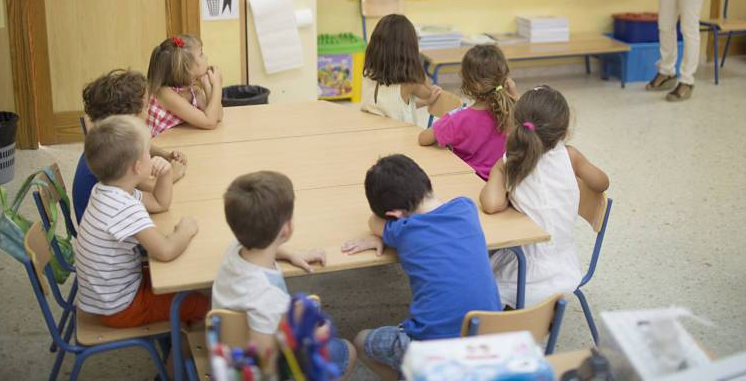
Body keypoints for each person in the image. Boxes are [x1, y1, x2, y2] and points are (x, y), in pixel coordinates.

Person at [342, 154, 501, 379]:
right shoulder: (466, 207)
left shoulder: (406, 230)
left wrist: (386, 233)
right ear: (427, 182)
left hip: (433, 351)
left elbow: (373, 223)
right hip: (488, 340)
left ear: (394, 216)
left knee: (361, 340)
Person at [213, 172, 355, 379]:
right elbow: (267, 364)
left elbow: (264, 245)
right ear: (286, 229)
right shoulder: (269, 300)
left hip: (224, 351)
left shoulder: (235, 249)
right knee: (346, 350)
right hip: (255, 370)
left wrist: (291, 253)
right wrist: (308, 339)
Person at [480, 86, 609, 307]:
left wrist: (498, 170)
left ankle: (523, 314)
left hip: (523, 277)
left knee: (474, 277)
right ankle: (541, 316)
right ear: (564, 133)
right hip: (565, 270)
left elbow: (492, 205)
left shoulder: (512, 162)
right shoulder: (571, 156)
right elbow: (602, 182)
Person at [74, 115, 207, 328]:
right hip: (121, 308)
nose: (151, 155)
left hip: (107, 295)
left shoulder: (107, 189)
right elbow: (164, 251)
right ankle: (180, 355)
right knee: (201, 303)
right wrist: (185, 230)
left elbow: (158, 203)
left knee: (176, 280)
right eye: (148, 152)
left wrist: (164, 175)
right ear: (137, 167)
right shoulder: (124, 208)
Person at [73, 69, 188, 222]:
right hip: (112, 231)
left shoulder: (107, 141)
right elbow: (152, 188)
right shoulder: (115, 158)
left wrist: (164, 155)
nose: (148, 113)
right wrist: (173, 173)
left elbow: (138, 145)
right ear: (129, 118)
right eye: (146, 107)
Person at [418, 44, 516, 179]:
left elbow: (423, 138)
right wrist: (514, 97)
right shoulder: (513, 115)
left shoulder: (460, 118)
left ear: (467, 82)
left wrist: (449, 116)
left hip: (466, 183)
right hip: (499, 184)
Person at [360, 15, 442, 126]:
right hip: (400, 140)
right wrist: (415, 63)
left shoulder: (368, 75)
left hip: (370, 133)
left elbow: (395, 107)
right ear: (409, 51)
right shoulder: (411, 84)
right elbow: (429, 93)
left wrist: (426, 103)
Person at [146, 34, 223, 136]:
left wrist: (207, 85)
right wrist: (217, 85)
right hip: (157, 149)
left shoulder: (194, 91)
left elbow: (218, 116)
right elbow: (209, 122)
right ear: (187, 67)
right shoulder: (165, 94)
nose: (206, 57)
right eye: (201, 54)